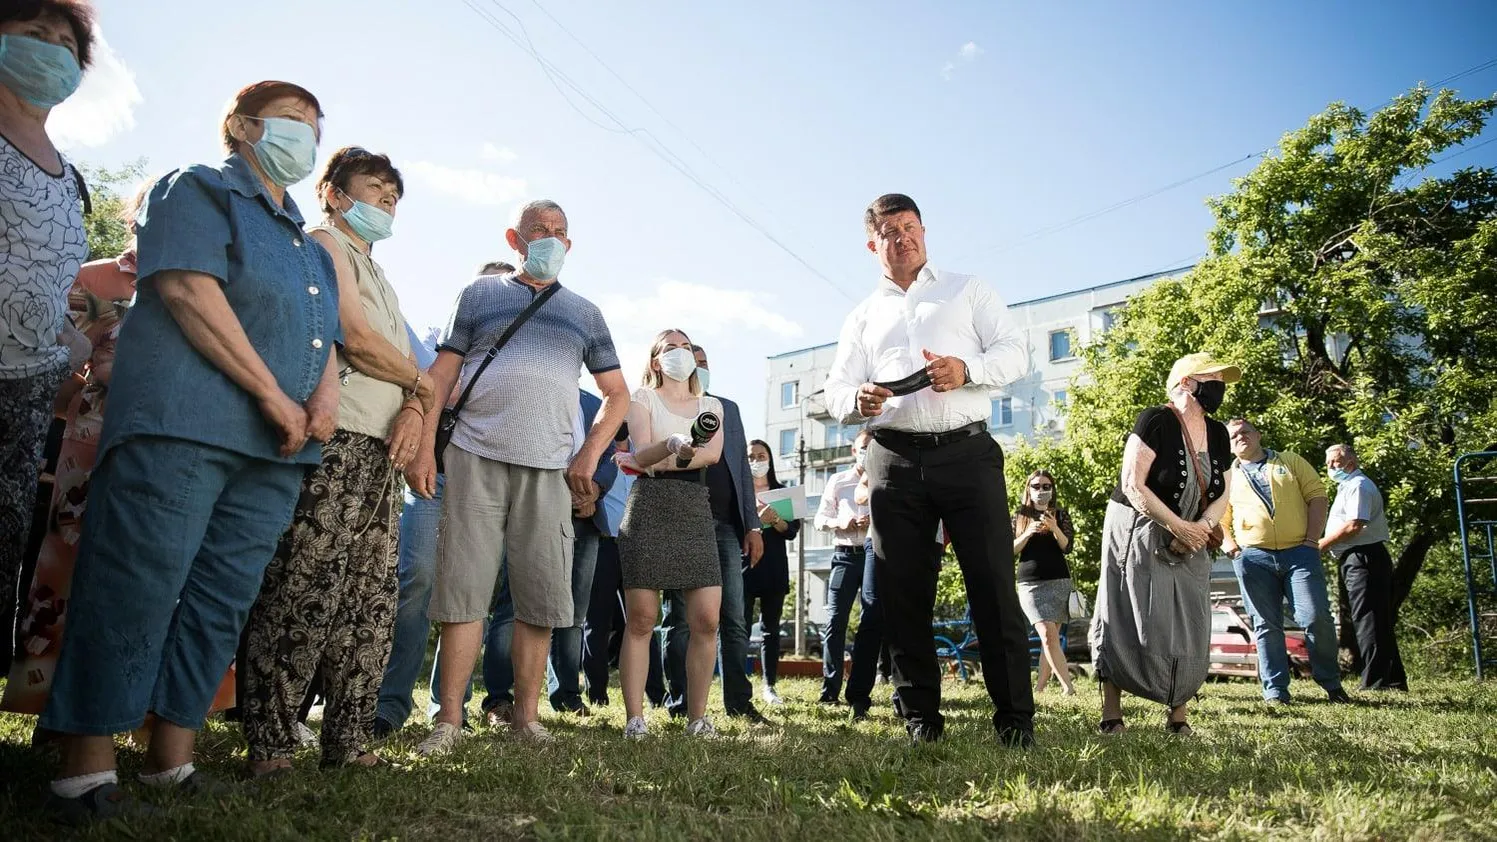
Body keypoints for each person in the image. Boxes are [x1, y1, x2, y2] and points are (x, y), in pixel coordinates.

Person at [39, 80, 339, 819]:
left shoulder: (308, 242)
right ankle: (85, 767)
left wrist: (320, 398)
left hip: (275, 451)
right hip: (185, 421)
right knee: (133, 583)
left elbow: (320, 334)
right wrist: (273, 394)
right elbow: (185, 290)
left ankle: (171, 758)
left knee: (219, 599)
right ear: (240, 125)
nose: (306, 136)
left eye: (315, 126)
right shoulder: (196, 188)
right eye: (291, 121)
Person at [408, 200, 628, 754]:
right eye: (539, 231)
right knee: (463, 589)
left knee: (540, 595)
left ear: (570, 244)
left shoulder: (586, 312)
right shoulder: (478, 295)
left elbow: (617, 394)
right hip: (474, 456)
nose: (551, 239)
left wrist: (588, 454)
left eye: (560, 232)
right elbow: (441, 374)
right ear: (515, 238)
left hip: (549, 467)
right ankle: (448, 721)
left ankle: (527, 718)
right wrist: (423, 449)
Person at [240, 147, 429, 775]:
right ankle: (271, 742)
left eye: (393, 196)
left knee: (369, 600)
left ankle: (348, 743)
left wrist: (415, 407)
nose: (385, 204)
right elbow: (357, 337)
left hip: (381, 451)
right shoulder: (324, 242)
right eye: (374, 190)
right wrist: (424, 388)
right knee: (304, 586)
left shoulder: (384, 275)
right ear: (335, 193)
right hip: (335, 440)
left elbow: (402, 369)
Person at [823, 193, 1034, 746]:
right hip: (892, 459)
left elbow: (1017, 353)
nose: (903, 238)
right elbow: (836, 389)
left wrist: (968, 369)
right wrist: (856, 402)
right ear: (873, 245)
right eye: (889, 232)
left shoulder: (968, 289)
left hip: (968, 453)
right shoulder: (862, 316)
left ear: (924, 230)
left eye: (910, 226)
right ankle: (920, 720)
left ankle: (1015, 720)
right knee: (901, 593)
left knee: (992, 584)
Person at [375, 261, 512, 737]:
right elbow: (416, 387)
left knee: (468, 592)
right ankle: (389, 704)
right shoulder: (435, 337)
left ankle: (450, 705)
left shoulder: (524, 356)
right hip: (432, 477)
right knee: (416, 580)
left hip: (486, 483)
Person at [1, 0, 95, 680]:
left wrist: (71, 343)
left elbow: (49, 276)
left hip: (27, 390)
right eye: (35, 35)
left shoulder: (72, 177)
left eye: (66, 44)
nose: (53, 52)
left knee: (5, 544)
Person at [1091, 353, 1237, 736]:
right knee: (1128, 610)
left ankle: (1178, 716)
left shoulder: (1219, 433)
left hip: (1193, 529)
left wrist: (1201, 527)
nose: (1220, 385)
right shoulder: (1156, 419)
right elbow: (1132, 484)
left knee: (1188, 616)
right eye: (1214, 377)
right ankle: (1112, 713)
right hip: (1138, 525)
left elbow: (1224, 490)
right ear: (1186, 382)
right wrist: (1177, 525)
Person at [463, 390, 617, 723]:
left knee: (574, 612)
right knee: (513, 605)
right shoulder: (530, 393)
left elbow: (610, 454)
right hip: (532, 513)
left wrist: (595, 491)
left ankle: (566, 695)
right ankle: (499, 700)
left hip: (585, 520)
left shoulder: (595, 403)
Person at [614, 330, 724, 739]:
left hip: (694, 508)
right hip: (649, 507)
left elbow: (711, 455)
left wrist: (659, 460)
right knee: (642, 618)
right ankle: (635, 719)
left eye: (685, 345)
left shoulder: (711, 405)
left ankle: (698, 718)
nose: (681, 352)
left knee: (707, 619)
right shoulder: (641, 398)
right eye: (670, 347)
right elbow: (640, 453)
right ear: (656, 361)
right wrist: (670, 447)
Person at [660, 343, 766, 724]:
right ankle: (681, 704)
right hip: (682, 523)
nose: (698, 368)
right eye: (693, 362)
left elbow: (741, 469)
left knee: (734, 618)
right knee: (680, 620)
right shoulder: (665, 406)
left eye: (704, 363)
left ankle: (740, 701)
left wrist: (752, 525)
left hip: (725, 526)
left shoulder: (728, 409)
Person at [1219, 419, 1350, 705]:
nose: (1240, 438)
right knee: (1265, 624)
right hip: (1253, 557)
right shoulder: (1228, 476)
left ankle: (1331, 682)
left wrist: (1311, 541)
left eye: (1245, 432)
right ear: (1228, 445)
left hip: (1299, 554)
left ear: (1258, 434)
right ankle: (1276, 691)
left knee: (1316, 617)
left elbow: (1317, 496)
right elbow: (1219, 519)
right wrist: (1232, 550)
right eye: (1234, 436)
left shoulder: (1290, 461)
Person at [1320, 443, 1408, 691]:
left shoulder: (1358, 485)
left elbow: (1354, 525)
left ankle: (1375, 683)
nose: (1330, 467)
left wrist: (1321, 545)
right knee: (1376, 619)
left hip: (1363, 557)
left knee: (1368, 619)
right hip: (1358, 558)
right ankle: (1393, 679)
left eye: (1335, 462)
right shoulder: (1347, 485)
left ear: (1350, 462)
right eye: (1327, 463)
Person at [580, 470, 667, 708]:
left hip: (639, 547)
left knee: (643, 621)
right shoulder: (600, 458)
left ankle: (657, 695)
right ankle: (597, 695)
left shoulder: (643, 456)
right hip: (605, 543)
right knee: (596, 624)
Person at [812, 430, 872, 705]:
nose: (867, 450)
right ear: (853, 450)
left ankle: (862, 688)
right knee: (835, 622)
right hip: (845, 556)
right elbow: (819, 519)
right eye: (863, 446)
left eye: (872, 447)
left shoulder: (883, 478)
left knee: (869, 623)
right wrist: (841, 523)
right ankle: (830, 691)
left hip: (875, 558)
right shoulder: (838, 480)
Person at [743, 439, 800, 705]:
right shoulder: (738, 491)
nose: (756, 461)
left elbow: (791, 531)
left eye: (761, 455)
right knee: (737, 627)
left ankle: (769, 685)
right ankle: (736, 684)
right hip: (743, 565)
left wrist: (774, 518)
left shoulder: (782, 492)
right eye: (751, 456)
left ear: (770, 458)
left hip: (774, 566)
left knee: (771, 630)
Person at [1012, 470, 1077, 696]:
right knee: (1048, 634)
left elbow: (1067, 547)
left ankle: (1039, 688)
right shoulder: (1019, 516)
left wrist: (1055, 528)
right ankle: (1068, 688)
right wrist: (1028, 532)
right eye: (1037, 486)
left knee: (1049, 640)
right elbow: (1009, 550)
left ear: (1052, 489)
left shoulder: (1060, 515)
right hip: (1030, 585)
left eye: (1046, 486)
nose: (1041, 490)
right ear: (1029, 489)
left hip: (1058, 582)